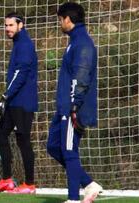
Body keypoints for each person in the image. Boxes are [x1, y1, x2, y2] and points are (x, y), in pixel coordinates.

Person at [46, 2, 103, 203]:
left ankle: (73, 198)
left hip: (72, 107)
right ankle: (88, 183)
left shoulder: (82, 43)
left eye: (60, 19)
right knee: (53, 146)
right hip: (63, 107)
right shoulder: (74, 41)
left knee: (70, 151)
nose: (59, 23)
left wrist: (74, 105)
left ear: (67, 19)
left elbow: (82, 75)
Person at [0, 12, 38, 194]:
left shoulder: (25, 44)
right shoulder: (18, 43)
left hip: (23, 102)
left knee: (23, 140)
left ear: (21, 25)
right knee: (0, 135)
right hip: (13, 101)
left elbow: (21, 73)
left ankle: (30, 184)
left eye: (11, 25)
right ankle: (7, 180)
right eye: (6, 25)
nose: (7, 29)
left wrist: (5, 96)